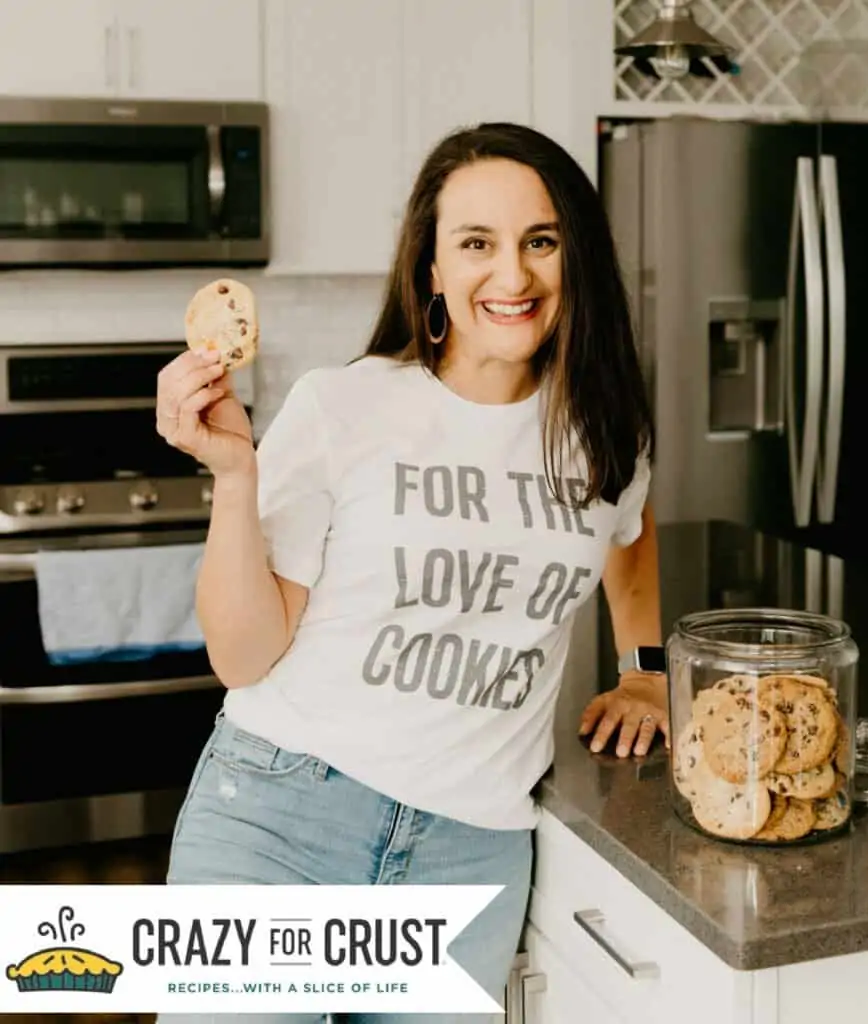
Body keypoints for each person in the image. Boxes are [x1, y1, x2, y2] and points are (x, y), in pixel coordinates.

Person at [154, 122, 668, 1024]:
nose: (511, 277)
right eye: (476, 244)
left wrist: (647, 675)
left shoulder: (606, 432)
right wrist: (236, 478)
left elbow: (628, 532)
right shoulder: (344, 406)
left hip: (469, 856)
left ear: (573, 257)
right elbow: (242, 656)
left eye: (539, 242)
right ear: (431, 269)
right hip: (283, 820)